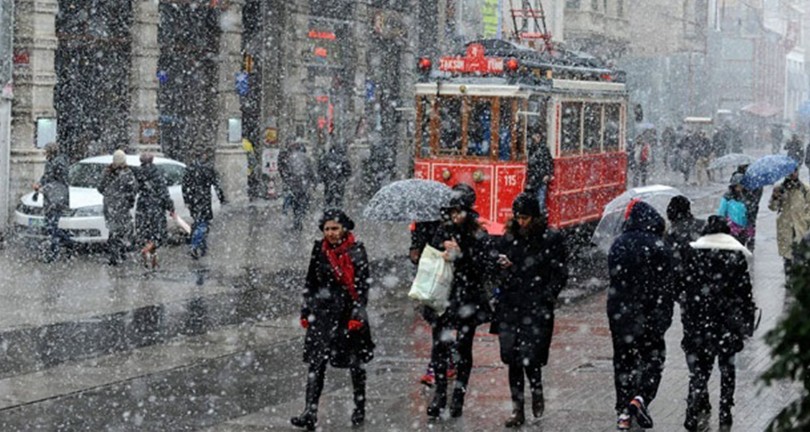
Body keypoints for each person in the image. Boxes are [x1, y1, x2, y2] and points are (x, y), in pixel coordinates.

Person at [291, 209, 373, 430]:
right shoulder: (319, 250)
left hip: (347, 314)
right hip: (323, 314)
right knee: (316, 364)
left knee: (356, 364)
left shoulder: (356, 250)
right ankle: (310, 411)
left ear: (344, 229)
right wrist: (306, 310)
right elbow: (311, 282)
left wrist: (357, 313)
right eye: (327, 229)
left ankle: (359, 406)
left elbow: (362, 286)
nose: (331, 233)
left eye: (335, 228)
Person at [496, 193, 567, 427]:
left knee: (531, 357)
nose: (520, 222)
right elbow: (496, 265)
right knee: (513, 359)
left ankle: (536, 391)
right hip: (511, 305)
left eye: (525, 217)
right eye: (517, 217)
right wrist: (502, 267)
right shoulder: (509, 238)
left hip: (535, 306)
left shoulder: (549, 239)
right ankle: (518, 408)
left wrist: (547, 295)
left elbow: (558, 272)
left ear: (534, 217)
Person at [681, 216, 756, 431]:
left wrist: (689, 319)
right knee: (727, 368)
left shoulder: (694, 254)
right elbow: (744, 293)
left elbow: (686, 288)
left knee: (700, 370)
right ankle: (725, 409)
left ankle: (692, 409)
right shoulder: (735, 255)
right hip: (727, 324)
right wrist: (746, 321)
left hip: (700, 323)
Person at [426, 193, 497, 419]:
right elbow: (430, 258)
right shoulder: (442, 231)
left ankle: (458, 396)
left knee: (464, 348)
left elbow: (485, 266)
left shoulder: (478, 234)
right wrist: (441, 252)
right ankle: (439, 393)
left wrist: (461, 255)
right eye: (453, 211)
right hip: (443, 296)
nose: (456, 216)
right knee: (440, 346)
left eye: (459, 211)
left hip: (467, 298)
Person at [607, 200, 674, 430]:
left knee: (623, 363)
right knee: (653, 360)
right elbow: (668, 286)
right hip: (650, 316)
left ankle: (623, 412)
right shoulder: (659, 246)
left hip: (621, 317)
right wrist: (664, 318)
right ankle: (641, 398)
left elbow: (614, 280)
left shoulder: (618, 244)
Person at [410, 184, 474, 387]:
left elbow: (479, 261)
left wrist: (457, 254)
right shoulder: (434, 219)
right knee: (438, 327)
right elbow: (422, 235)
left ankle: (442, 366)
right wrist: (419, 249)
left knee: (444, 331)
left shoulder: (467, 229)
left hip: (454, 286)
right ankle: (443, 363)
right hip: (433, 276)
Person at [133, 153, 175, 269]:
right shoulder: (157, 173)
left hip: (142, 207)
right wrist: (170, 207)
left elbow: (134, 190)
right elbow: (164, 192)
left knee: (144, 233)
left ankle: (148, 260)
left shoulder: (138, 173)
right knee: (157, 235)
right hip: (156, 207)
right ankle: (149, 254)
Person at [98, 150, 138, 266]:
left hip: (110, 205)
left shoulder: (107, 172)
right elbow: (133, 190)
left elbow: (100, 187)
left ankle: (114, 254)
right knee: (122, 229)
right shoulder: (127, 173)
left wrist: (109, 195)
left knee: (113, 230)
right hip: (121, 206)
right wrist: (128, 201)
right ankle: (119, 253)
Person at [181, 155, 226, 259]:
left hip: (193, 200)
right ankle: (195, 245)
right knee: (202, 224)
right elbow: (217, 185)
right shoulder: (208, 170)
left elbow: (184, 186)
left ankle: (202, 247)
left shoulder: (190, 170)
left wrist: (187, 200)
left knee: (198, 222)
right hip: (204, 199)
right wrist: (221, 198)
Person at [34, 143, 72, 262]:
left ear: (51, 151)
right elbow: (47, 177)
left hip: (56, 199)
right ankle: (68, 242)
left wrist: (44, 187)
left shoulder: (58, 162)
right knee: (50, 225)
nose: (44, 152)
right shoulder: (51, 161)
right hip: (51, 198)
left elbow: (58, 182)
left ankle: (54, 253)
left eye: (46, 150)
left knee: (52, 225)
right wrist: (40, 184)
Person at [768, 170, 810, 276]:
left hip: (801, 227)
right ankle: (789, 282)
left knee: (801, 256)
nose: (793, 174)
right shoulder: (779, 188)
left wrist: (805, 219)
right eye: (790, 172)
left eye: (795, 171)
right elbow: (772, 207)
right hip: (785, 227)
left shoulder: (805, 189)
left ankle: (798, 283)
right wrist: (775, 197)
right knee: (787, 257)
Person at [666, 195, 705, 296]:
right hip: (705, 279)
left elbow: (672, 261)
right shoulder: (703, 225)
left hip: (686, 283)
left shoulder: (671, 233)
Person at [279, 140, 314, 230]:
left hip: (294, 185)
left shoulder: (290, 157)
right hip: (304, 184)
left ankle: (295, 219)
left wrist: (287, 180)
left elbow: (286, 171)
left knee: (295, 203)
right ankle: (299, 219)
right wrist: (313, 182)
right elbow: (310, 171)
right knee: (301, 203)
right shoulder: (306, 158)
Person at [717, 173, 754, 248]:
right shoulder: (727, 197)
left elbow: (750, 210)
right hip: (732, 227)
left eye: (742, 184)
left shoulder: (746, 195)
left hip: (744, 228)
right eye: (739, 185)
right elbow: (721, 212)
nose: (741, 187)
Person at [526, 130, 553, 210]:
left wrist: (547, 174)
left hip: (539, 178)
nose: (535, 138)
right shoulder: (532, 148)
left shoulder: (543, 149)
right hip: (534, 179)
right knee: (536, 200)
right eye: (534, 136)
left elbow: (549, 162)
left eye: (537, 137)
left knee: (540, 199)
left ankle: (538, 217)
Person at [318, 144, 352, 208]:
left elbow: (321, 169)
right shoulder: (343, 159)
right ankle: (338, 211)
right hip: (340, 182)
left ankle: (328, 211)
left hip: (328, 181)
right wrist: (344, 179)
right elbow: (348, 171)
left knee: (328, 199)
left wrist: (324, 179)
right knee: (339, 200)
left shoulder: (326, 158)